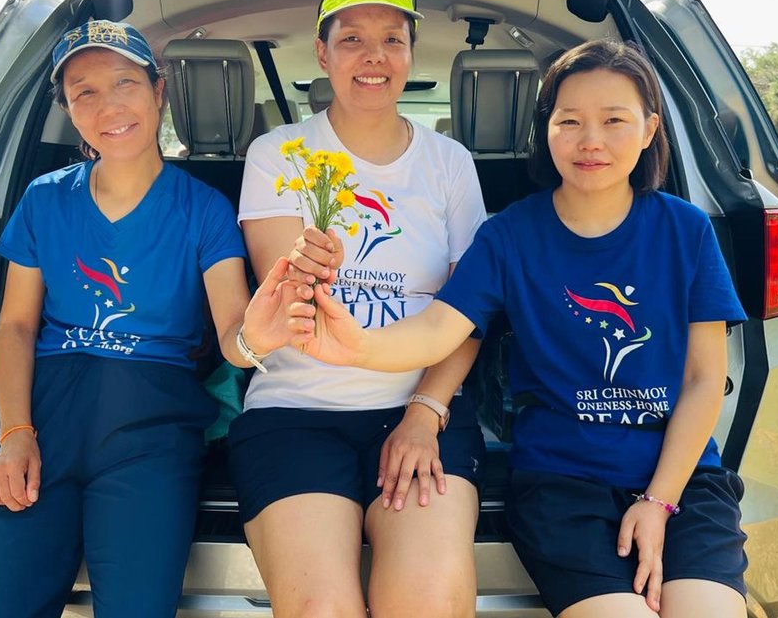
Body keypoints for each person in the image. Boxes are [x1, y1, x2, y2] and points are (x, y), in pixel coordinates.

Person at [292, 40, 750, 618]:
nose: (591, 140)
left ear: (649, 129)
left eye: (614, 121)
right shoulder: (509, 235)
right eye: (569, 121)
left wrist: (659, 503)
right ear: (546, 131)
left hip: (682, 481)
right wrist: (359, 345)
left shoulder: (686, 230)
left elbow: (704, 380)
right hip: (564, 485)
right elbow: (441, 328)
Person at [0, 20, 295, 618]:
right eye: (84, 92)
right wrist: (14, 434)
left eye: (125, 83)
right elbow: (16, 327)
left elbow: (232, 333)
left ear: (159, 92)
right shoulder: (44, 199)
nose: (108, 106)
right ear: (68, 110)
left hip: (153, 428)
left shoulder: (205, 210)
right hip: (45, 415)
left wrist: (255, 341)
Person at [229, 0, 488, 616]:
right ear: (322, 54)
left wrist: (424, 413)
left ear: (410, 55)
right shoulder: (280, 153)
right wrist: (303, 268)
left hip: (420, 408)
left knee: (429, 602)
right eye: (352, 39)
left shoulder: (450, 163)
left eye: (392, 40)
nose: (374, 56)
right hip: (295, 412)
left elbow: (470, 312)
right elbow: (282, 301)